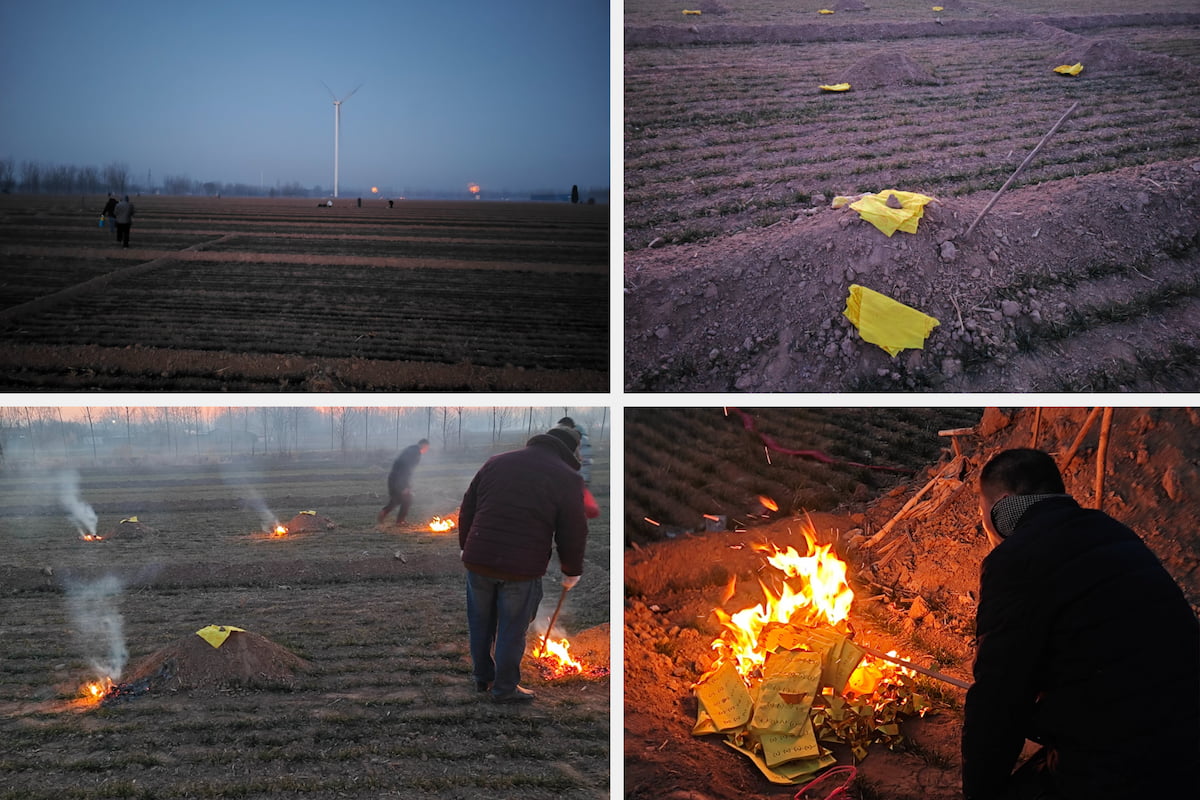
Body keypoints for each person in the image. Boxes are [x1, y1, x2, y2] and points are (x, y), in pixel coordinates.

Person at [963, 448, 1199, 800]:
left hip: (1133, 757)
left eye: (984, 509)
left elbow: (999, 697)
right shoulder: (1114, 531)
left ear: (1004, 505)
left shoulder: (1017, 559)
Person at [459, 427, 589, 704]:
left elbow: (468, 506)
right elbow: (573, 530)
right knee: (512, 628)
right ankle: (505, 689)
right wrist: (571, 569)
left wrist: (465, 546)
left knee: (480, 623)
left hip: (479, 560)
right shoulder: (567, 477)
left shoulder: (496, 462)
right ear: (570, 451)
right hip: (520, 569)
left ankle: (484, 677)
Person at [377, 439, 429, 526]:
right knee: (407, 499)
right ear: (423, 445)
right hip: (399, 480)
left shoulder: (411, 450)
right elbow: (407, 470)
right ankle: (400, 521)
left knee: (397, 499)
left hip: (394, 478)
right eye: (427, 448)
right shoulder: (415, 453)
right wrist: (406, 486)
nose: (426, 450)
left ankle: (384, 512)